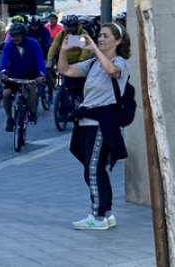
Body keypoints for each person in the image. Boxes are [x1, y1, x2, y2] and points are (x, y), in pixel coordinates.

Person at [59, 22, 130, 230]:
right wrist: (63, 51)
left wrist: (96, 50)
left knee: (92, 168)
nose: (100, 39)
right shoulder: (91, 64)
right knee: (94, 169)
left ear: (118, 40)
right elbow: (64, 70)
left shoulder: (121, 62)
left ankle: (97, 215)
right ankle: (106, 214)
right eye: (99, 35)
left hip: (103, 122)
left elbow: (112, 70)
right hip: (86, 121)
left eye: (106, 36)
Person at [0, 22, 47, 131]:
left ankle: (33, 113)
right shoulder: (9, 45)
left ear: (23, 34)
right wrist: (2, 72)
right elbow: (4, 60)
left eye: (18, 35)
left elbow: (39, 60)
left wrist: (41, 74)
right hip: (13, 75)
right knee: (6, 94)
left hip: (30, 75)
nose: (15, 38)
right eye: (13, 35)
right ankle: (9, 119)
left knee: (32, 89)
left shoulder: (33, 44)